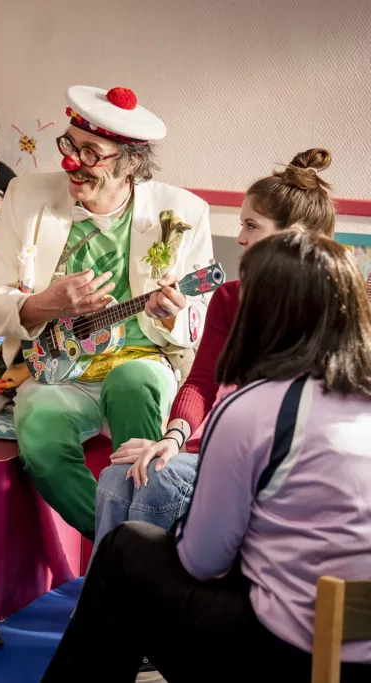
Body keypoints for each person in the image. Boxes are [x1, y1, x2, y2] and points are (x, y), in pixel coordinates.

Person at [42, 230, 371, 682]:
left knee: (124, 551)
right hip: (356, 643)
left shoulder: (251, 408)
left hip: (285, 652)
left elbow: (202, 560)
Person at [0, 85, 214, 538]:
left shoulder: (182, 211)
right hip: (53, 368)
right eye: (69, 145)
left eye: (90, 153)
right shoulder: (26, 197)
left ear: (130, 164)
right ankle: (120, 547)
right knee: (38, 431)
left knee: (133, 382)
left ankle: (134, 548)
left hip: (143, 359)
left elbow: (196, 321)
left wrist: (169, 313)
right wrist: (44, 304)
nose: (71, 162)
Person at [95, 148, 336, 544]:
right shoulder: (229, 298)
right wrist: (171, 438)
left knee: (159, 481)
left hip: (274, 465)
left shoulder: (335, 305)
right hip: (215, 451)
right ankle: (100, 605)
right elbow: (202, 381)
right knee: (116, 477)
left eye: (251, 226)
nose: (239, 237)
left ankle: (142, 603)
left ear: (292, 235)